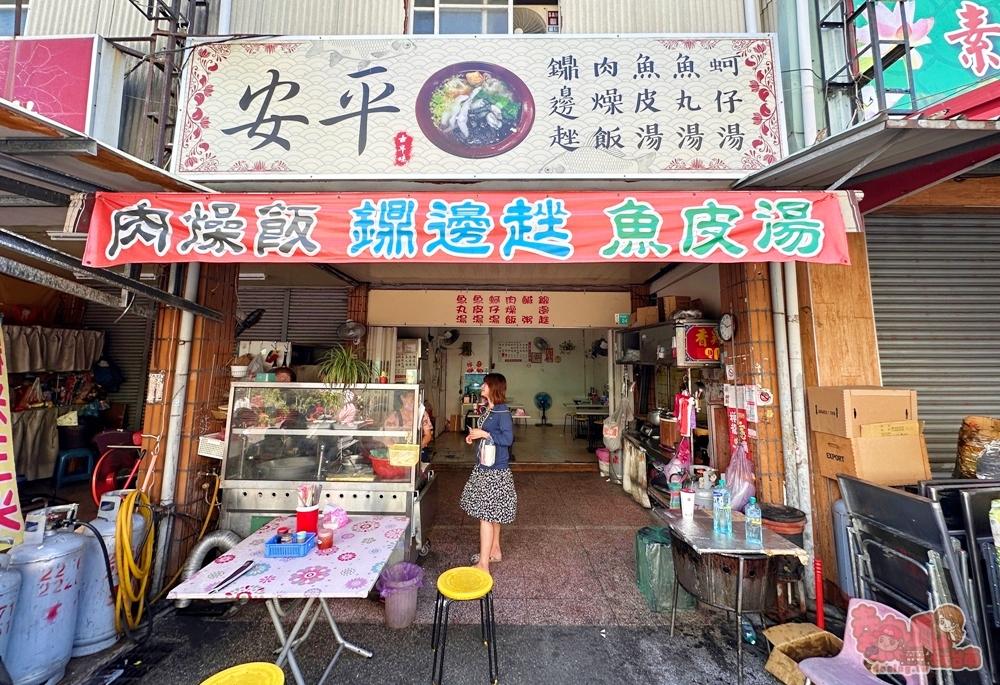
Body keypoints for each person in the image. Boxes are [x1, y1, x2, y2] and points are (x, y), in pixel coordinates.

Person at [460, 373, 517, 574]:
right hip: (485, 464)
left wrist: (483, 434)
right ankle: (495, 551)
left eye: (485, 383)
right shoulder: (488, 408)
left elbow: (508, 438)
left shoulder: (502, 411)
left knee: (485, 515)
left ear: (494, 387)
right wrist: (475, 436)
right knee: (493, 514)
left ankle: (483, 564)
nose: (482, 386)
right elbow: (487, 433)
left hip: (495, 469)